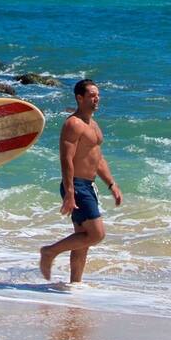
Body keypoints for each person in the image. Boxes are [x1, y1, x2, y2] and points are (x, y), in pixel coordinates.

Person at [40, 79, 120, 283]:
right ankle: (49, 252)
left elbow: (98, 158)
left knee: (82, 240)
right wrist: (69, 192)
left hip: (88, 186)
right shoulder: (73, 124)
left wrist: (111, 184)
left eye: (98, 95)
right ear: (79, 98)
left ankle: (75, 284)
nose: (97, 99)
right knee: (96, 234)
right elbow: (66, 159)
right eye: (92, 95)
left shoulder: (93, 124)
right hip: (76, 185)